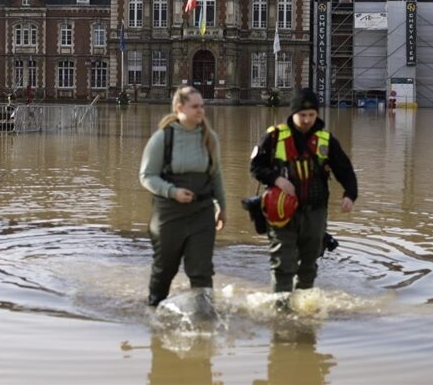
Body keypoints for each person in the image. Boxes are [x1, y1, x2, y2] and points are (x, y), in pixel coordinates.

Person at [249, 87, 357, 295]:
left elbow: (345, 170)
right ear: (293, 114)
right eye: (302, 115)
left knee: (309, 265)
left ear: (317, 114)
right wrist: (277, 179)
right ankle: (281, 309)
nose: (307, 120)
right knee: (283, 263)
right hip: (281, 212)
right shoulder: (274, 137)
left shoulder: (326, 140)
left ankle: (302, 307)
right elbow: (255, 168)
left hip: (315, 212)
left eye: (311, 115)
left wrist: (350, 194)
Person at [139, 86, 226, 307]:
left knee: (202, 270)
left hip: (202, 212)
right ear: (179, 108)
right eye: (195, 106)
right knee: (164, 268)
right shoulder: (162, 138)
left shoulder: (209, 138)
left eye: (202, 106)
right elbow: (146, 176)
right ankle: (153, 312)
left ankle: (204, 320)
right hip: (169, 214)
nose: (201, 111)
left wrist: (222, 207)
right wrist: (172, 192)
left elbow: (215, 175)